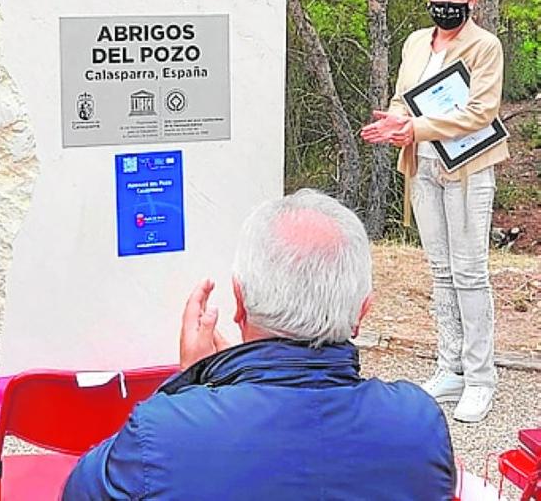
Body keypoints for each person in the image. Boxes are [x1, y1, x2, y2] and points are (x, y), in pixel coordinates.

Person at [63, 190, 456, 501]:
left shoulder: (162, 431)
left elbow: (76, 491)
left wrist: (191, 383)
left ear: (239, 302)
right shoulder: (418, 426)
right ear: (362, 312)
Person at [361, 0, 508, 424]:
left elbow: (480, 112)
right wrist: (393, 121)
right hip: (420, 165)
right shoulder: (414, 43)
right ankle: (451, 367)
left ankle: (481, 377)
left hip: (467, 169)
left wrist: (416, 127)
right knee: (440, 270)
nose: (446, 5)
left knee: (470, 272)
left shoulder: (485, 47)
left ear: (472, 0)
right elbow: (404, 98)